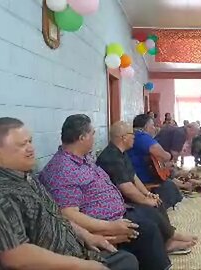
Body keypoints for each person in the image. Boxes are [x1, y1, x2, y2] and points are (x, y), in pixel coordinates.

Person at [0, 117, 139, 270]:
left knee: (127, 258)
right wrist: (83, 265)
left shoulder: (26, 178)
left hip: (76, 251)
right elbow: (16, 257)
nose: (31, 149)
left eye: (30, 141)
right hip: (62, 263)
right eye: (22, 144)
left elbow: (56, 215)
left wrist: (87, 236)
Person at [39, 114, 172, 270]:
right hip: (105, 224)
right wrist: (110, 227)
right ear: (82, 137)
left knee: (151, 214)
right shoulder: (63, 169)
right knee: (146, 230)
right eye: (92, 133)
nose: (94, 137)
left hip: (119, 212)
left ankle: (167, 244)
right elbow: (68, 214)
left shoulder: (84, 159)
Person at [97, 121, 197, 254]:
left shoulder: (122, 153)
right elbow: (126, 188)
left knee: (156, 200)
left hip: (124, 194)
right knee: (151, 207)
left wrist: (147, 194)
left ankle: (170, 235)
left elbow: (133, 177)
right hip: (116, 201)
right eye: (132, 135)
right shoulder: (111, 157)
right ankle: (168, 241)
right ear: (123, 138)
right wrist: (145, 200)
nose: (134, 137)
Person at [128, 114, 185, 205]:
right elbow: (161, 153)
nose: (154, 128)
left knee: (169, 173)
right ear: (146, 126)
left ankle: (185, 185)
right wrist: (170, 156)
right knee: (169, 184)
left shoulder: (134, 135)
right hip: (141, 177)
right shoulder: (141, 136)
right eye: (152, 126)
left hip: (138, 172)